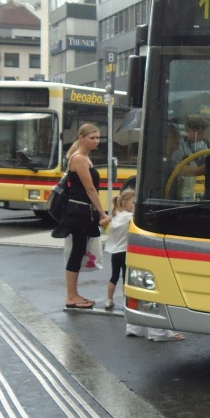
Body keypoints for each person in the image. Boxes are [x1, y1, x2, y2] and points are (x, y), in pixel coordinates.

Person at [58, 123, 112, 309]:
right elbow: (90, 189)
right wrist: (102, 212)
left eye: (98, 138)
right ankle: (71, 296)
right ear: (82, 138)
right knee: (77, 250)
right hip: (78, 211)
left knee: (79, 250)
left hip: (81, 210)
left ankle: (74, 294)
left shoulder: (84, 158)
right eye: (92, 138)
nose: (96, 141)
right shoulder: (80, 159)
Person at [104, 188, 135, 310]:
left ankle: (109, 300)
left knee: (114, 276)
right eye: (133, 203)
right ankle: (125, 301)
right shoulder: (130, 217)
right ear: (125, 203)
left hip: (114, 252)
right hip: (125, 251)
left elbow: (103, 223)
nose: (134, 205)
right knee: (125, 278)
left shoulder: (115, 215)